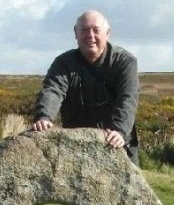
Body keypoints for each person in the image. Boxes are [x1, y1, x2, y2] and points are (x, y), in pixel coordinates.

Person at [30, 10, 140, 164]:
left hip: (115, 142)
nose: (90, 35)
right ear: (76, 33)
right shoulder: (63, 63)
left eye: (96, 30)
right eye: (84, 30)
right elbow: (53, 90)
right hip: (76, 144)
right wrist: (44, 117)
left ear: (107, 33)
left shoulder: (125, 62)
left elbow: (128, 98)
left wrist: (119, 131)